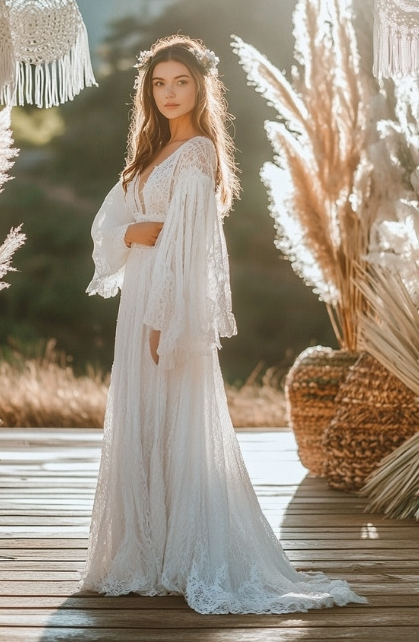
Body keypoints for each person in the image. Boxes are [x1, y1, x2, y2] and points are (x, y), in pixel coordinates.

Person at [80, 35, 366, 614]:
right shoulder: (150, 152)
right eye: (159, 83)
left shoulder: (198, 153)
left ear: (200, 87)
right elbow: (112, 220)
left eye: (180, 81)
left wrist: (166, 319)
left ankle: (184, 556)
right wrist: (128, 236)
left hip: (167, 302)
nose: (168, 93)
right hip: (138, 294)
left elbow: (191, 248)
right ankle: (146, 552)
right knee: (142, 417)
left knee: (175, 417)